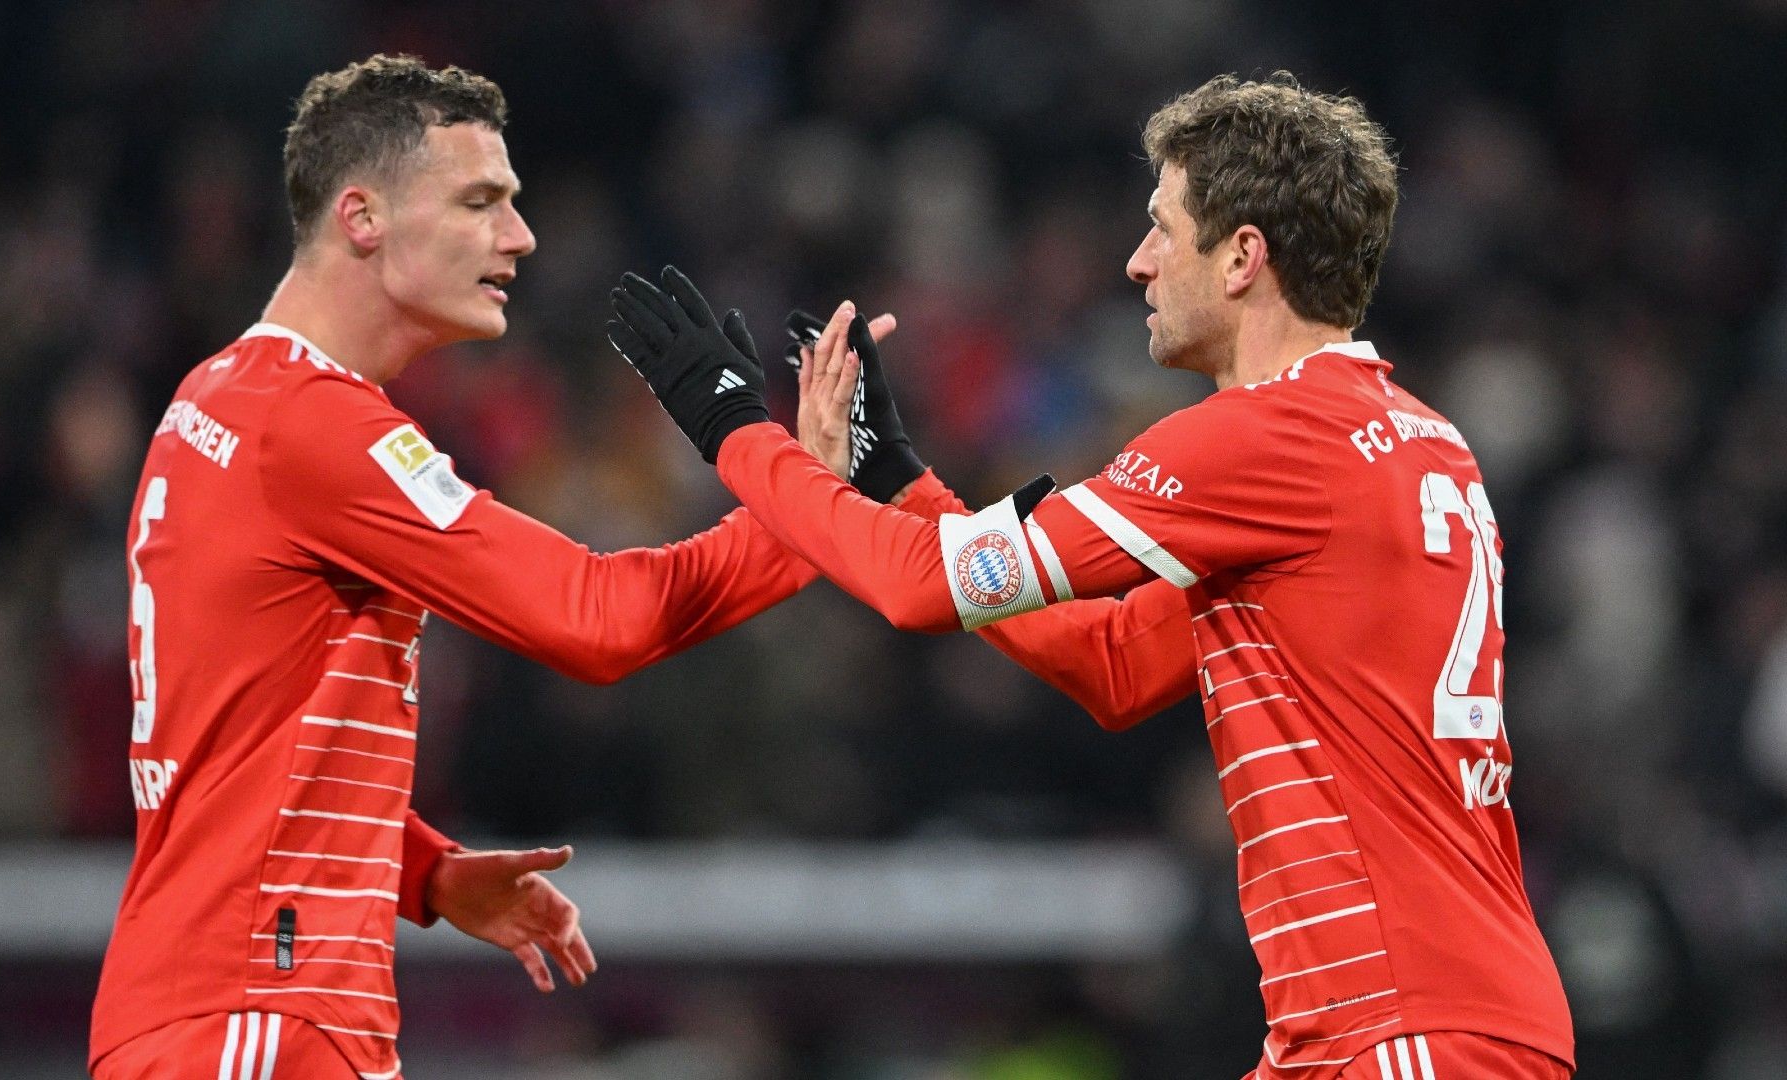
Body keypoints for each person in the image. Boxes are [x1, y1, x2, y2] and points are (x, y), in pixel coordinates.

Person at [608, 73, 1576, 1079]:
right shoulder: (1414, 440)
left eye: (1164, 227)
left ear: (1243, 256)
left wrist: (735, 429)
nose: (1138, 261)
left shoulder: (1266, 440)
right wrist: (897, 480)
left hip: (1401, 1024)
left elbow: (922, 589)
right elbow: (1119, 664)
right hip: (1400, 1016)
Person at [91, 55, 826, 1080]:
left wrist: (425, 870)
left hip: (223, 1001)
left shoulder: (216, 400)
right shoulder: (311, 426)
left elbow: (235, 748)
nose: (519, 236)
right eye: (480, 202)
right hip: (260, 1010)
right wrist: (811, 502)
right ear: (362, 217)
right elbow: (599, 619)